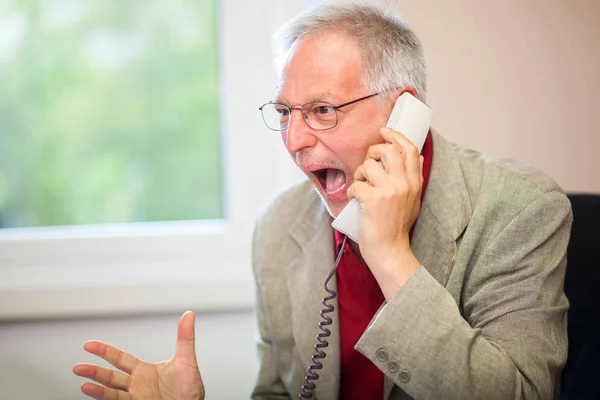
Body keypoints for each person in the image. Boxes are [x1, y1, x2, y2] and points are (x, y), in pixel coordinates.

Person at [73, 3, 572, 400]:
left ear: (404, 112)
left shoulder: (519, 208)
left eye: (322, 110)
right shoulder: (279, 226)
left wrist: (391, 255)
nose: (294, 141)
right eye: (286, 112)